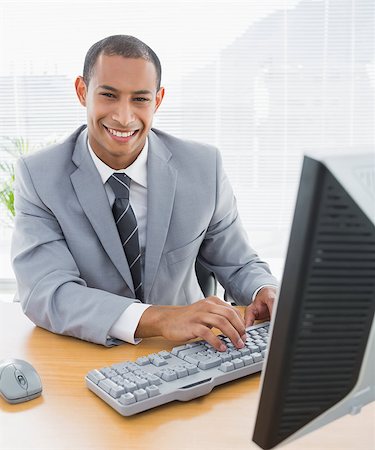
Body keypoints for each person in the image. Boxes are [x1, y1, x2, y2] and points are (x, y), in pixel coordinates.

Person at [11, 35, 277, 351]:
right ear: (83, 92)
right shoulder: (39, 176)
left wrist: (264, 289)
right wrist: (160, 318)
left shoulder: (204, 167)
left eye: (140, 99)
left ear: (158, 100)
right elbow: (48, 291)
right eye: (109, 95)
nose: (124, 117)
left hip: (191, 350)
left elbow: (238, 262)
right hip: (87, 352)